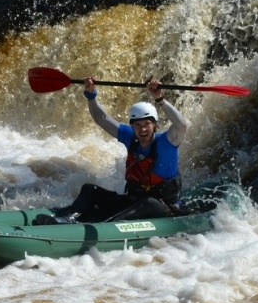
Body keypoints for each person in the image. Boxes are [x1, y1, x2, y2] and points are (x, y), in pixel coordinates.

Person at [38, 77, 189, 224]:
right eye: (137, 125)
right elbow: (102, 119)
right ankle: (69, 217)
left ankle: (107, 224)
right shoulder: (130, 137)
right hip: (132, 203)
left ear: (155, 125)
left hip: (162, 208)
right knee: (90, 189)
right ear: (132, 126)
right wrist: (91, 95)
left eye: (147, 124)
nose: (142, 129)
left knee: (148, 202)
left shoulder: (167, 142)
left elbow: (182, 125)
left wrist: (159, 98)